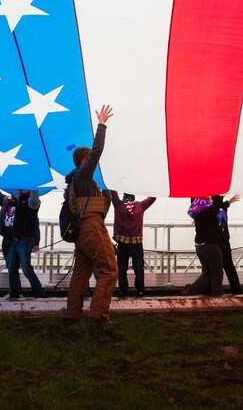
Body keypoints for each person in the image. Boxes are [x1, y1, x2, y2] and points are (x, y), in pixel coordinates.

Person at [66, 105, 117, 323]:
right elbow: (97, 152)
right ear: (84, 161)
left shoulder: (77, 181)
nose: (95, 162)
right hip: (92, 227)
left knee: (80, 275)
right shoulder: (83, 175)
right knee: (109, 269)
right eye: (91, 160)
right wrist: (102, 125)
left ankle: (73, 315)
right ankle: (98, 315)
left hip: (82, 232)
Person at [181, 195, 238, 296]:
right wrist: (218, 193)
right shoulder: (210, 211)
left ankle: (191, 290)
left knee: (207, 273)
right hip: (212, 246)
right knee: (217, 274)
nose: (212, 201)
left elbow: (216, 207)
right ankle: (217, 296)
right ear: (205, 201)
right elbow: (217, 205)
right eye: (210, 199)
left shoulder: (198, 211)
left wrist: (227, 202)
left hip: (200, 246)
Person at [110, 191, 156, 297]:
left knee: (121, 269)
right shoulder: (140, 205)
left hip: (122, 243)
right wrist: (155, 187)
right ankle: (140, 290)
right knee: (139, 268)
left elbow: (112, 193)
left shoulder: (118, 204)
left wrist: (112, 182)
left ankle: (123, 290)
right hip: (137, 243)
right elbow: (153, 198)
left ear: (124, 196)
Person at [4, 190, 45, 299]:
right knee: (12, 267)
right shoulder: (19, 199)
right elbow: (16, 190)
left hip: (26, 240)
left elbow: (36, 223)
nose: (22, 188)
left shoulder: (33, 202)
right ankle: (15, 292)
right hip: (16, 239)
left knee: (26, 268)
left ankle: (39, 292)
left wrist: (36, 242)